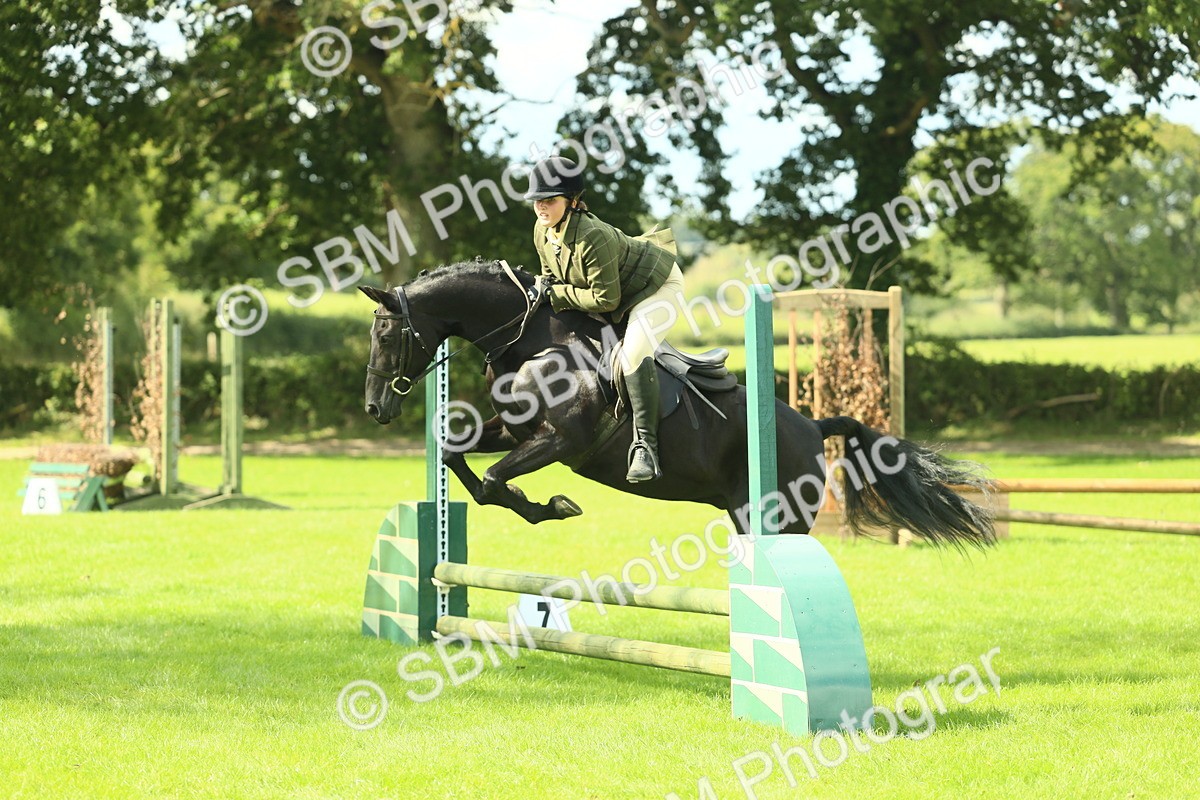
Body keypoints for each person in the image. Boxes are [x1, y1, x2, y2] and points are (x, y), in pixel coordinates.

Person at [525, 155, 687, 483]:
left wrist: (554, 293)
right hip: (616, 294)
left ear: (572, 202)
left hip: (655, 287)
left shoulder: (591, 236)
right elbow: (551, 282)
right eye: (537, 200)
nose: (541, 206)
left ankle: (646, 448)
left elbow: (605, 300)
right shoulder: (542, 231)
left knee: (632, 355)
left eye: (550, 200)